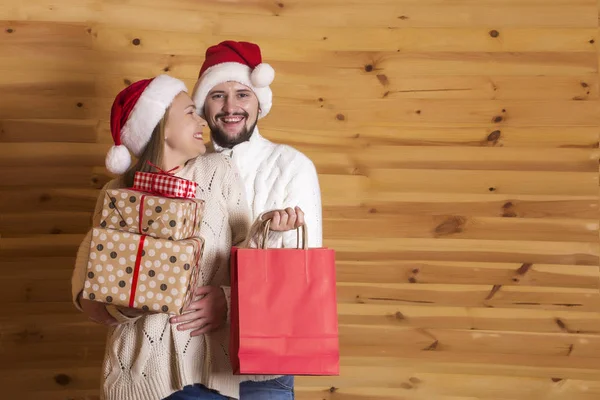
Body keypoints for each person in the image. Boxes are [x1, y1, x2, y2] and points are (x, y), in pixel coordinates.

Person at [71, 74, 303, 400]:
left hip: (219, 368)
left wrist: (268, 234)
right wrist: (136, 302)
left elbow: (243, 255)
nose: (202, 121)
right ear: (161, 126)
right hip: (151, 378)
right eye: (190, 113)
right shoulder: (117, 193)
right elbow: (89, 298)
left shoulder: (217, 170)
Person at [190, 40, 324, 399]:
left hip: (263, 372)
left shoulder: (292, 167)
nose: (231, 107)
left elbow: (298, 273)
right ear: (203, 105)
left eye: (242, 95)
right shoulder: (187, 169)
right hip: (194, 363)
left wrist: (230, 303)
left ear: (259, 102)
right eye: (218, 95)